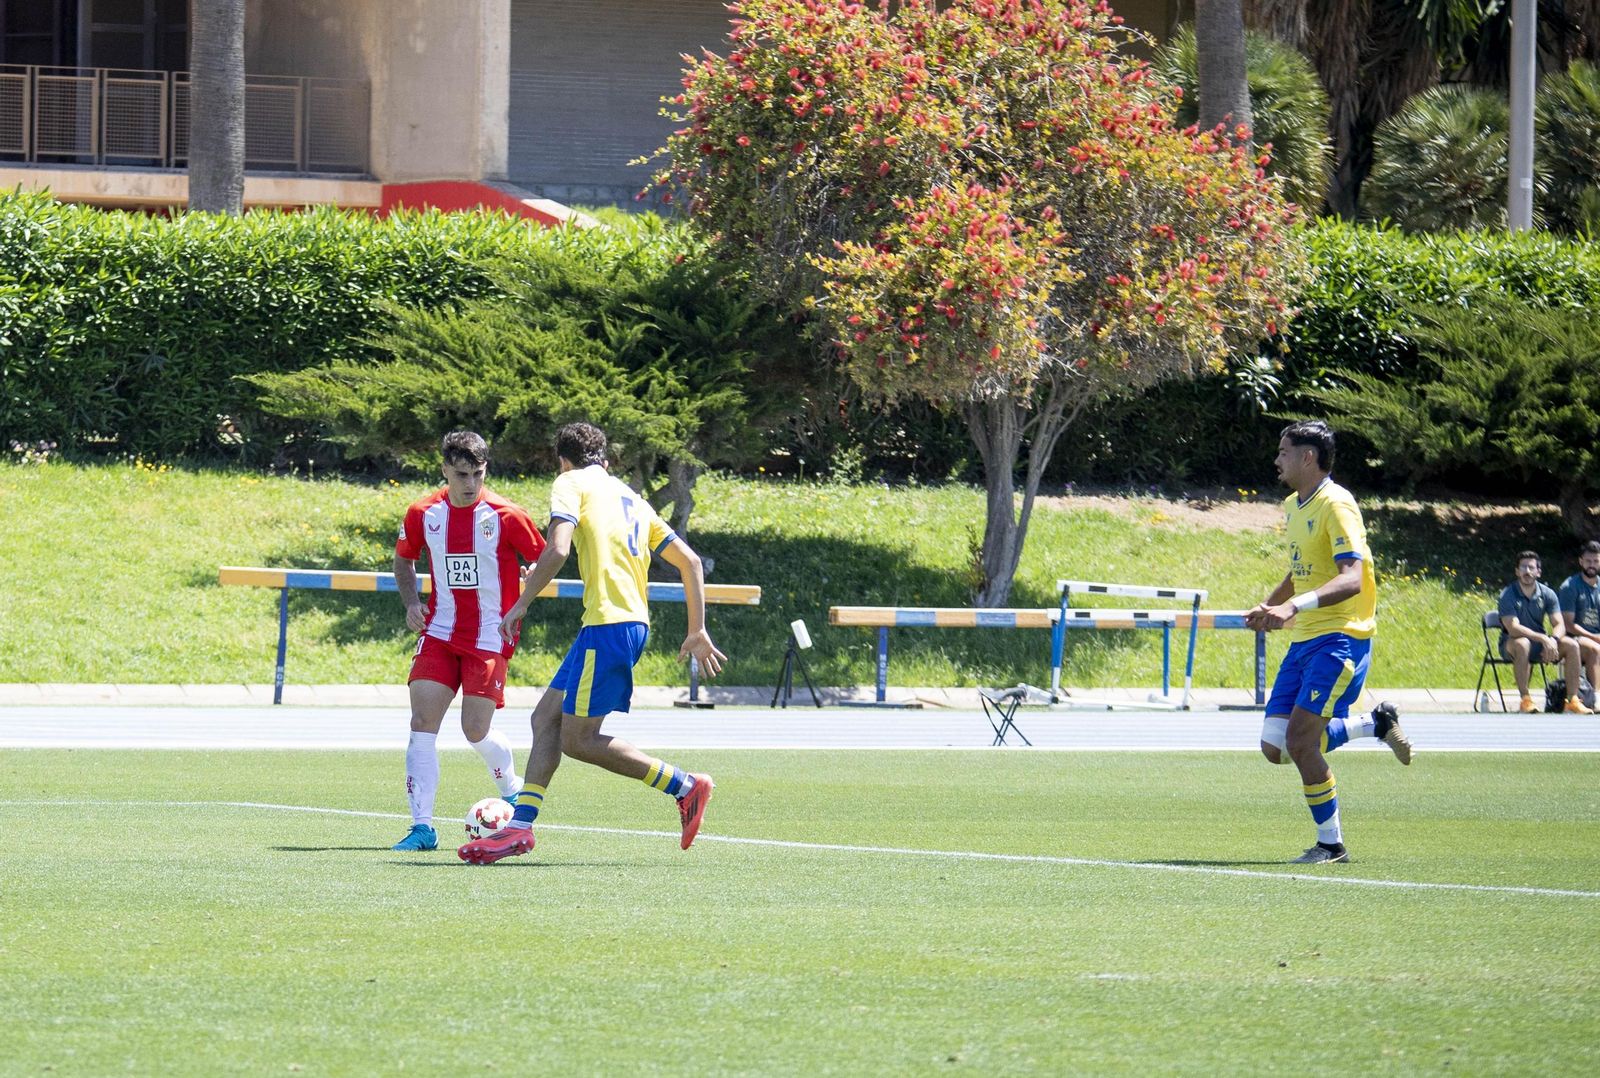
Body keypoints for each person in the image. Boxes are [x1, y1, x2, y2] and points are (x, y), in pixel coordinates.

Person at [459, 421, 727, 864]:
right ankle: (519, 830)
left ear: (563, 459)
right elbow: (691, 562)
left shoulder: (569, 482)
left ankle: (684, 785)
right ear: (605, 458)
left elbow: (558, 548)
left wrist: (522, 602)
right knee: (546, 719)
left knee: (579, 739)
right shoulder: (632, 498)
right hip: (619, 624)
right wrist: (696, 629)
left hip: (609, 626)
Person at [1245, 420, 1412, 866]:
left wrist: (1293, 607)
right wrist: (1270, 603)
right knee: (1275, 747)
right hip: (1305, 642)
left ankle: (1331, 845)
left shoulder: (1338, 504)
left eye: (1283, 451)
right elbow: (1301, 567)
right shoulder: (1293, 505)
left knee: (1301, 743)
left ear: (1307, 457)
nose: (1276, 459)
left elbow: (1353, 578)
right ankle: (1372, 726)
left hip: (1340, 640)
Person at [390, 431, 546, 851]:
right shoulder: (423, 513)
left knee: (475, 730)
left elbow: (543, 558)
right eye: (461, 474)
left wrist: (530, 585)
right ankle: (422, 828)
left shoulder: (506, 515)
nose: (470, 484)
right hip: (439, 631)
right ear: (444, 469)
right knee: (422, 725)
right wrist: (411, 603)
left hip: (490, 636)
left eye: (477, 474)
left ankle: (511, 788)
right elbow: (403, 559)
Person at [1496, 551, 1590, 714]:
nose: (1527, 571)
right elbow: (1513, 628)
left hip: (1540, 645)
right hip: (1511, 643)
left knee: (1572, 644)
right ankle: (1525, 700)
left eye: (1531, 567)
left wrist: (1553, 639)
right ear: (1517, 571)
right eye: (1523, 567)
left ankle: (1572, 700)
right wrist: (1542, 638)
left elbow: (1559, 623)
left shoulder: (1547, 593)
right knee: (1523, 643)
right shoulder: (1508, 594)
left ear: (1538, 572)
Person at [1555, 543, 1600, 714]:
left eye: (1596, 561)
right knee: (1596, 649)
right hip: (1574, 639)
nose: (1592, 565)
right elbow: (1568, 624)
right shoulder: (1570, 587)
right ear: (1581, 562)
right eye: (1588, 561)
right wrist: (1595, 637)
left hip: (1596, 636)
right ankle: (1596, 698)